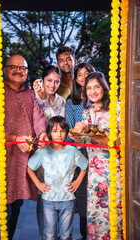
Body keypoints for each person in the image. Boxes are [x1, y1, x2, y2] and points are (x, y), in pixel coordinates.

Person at [0, 55, 48, 240]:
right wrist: (14, 138)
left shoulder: (29, 94)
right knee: (5, 203)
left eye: (23, 68)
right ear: (5, 70)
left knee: (17, 202)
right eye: (14, 67)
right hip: (4, 158)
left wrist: (42, 134)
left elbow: (38, 117)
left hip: (25, 158)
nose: (18, 70)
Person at [69, 72, 123, 239]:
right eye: (89, 88)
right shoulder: (87, 112)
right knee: (96, 215)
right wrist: (76, 136)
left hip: (112, 172)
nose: (93, 91)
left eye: (96, 87)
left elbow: (118, 141)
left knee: (113, 212)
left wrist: (90, 133)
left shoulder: (116, 108)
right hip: (94, 174)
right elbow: (84, 142)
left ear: (104, 88)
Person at [27, 116, 88, 240]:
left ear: (66, 132)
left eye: (62, 131)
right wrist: (38, 184)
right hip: (49, 200)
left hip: (68, 200)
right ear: (49, 133)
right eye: (55, 131)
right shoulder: (43, 151)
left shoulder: (72, 151)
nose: (59, 134)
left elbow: (85, 166)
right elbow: (30, 168)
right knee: (49, 234)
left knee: (66, 235)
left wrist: (77, 181)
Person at [33, 65, 66, 239]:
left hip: (60, 154)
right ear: (42, 80)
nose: (52, 85)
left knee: (60, 195)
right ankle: (44, 235)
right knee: (43, 195)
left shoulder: (61, 101)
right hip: (43, 154)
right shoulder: (36, 98)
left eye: (56, 81)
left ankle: (59, 233)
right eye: (49, 81)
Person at [65, 62, 95, 240]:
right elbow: (69, 132)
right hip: (81, 155)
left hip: (102, 156)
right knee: (83, 200)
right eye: (80, 75)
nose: (83, 77)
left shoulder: (102, 101)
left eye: (87, 73)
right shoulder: (72, 103)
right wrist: (75, 136)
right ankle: (85, 235)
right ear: (76, 79)